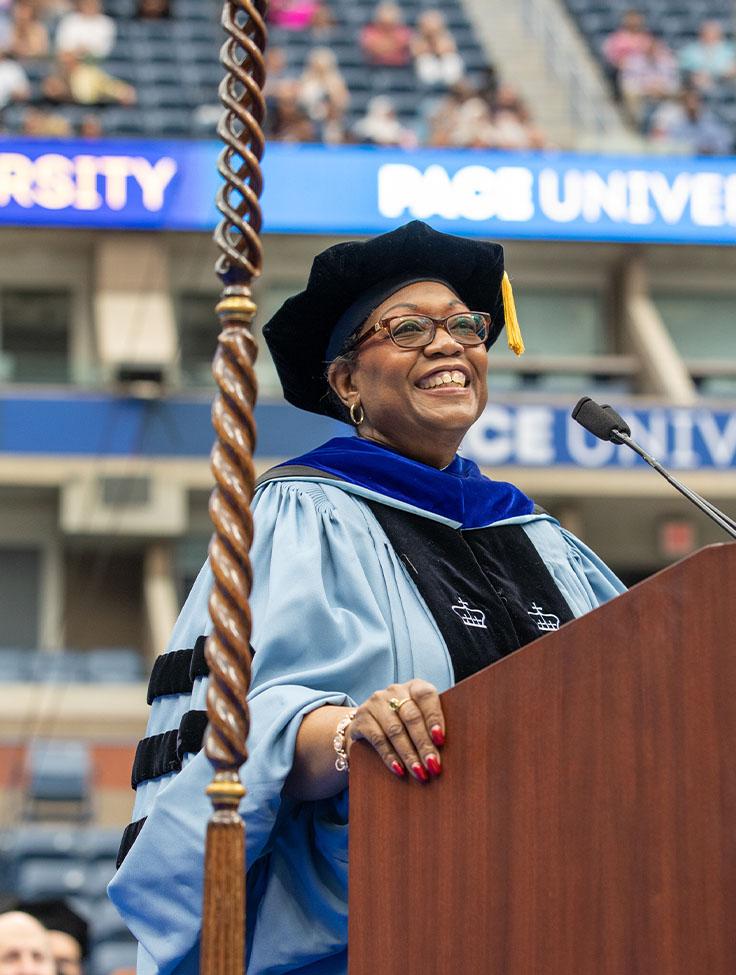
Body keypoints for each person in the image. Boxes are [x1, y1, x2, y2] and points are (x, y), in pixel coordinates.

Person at [107, 220, 625, 975]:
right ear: (347, 382)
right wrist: (351, 731)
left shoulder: (540, 537)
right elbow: (236, 735)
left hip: (568, 919)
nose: (446, 344)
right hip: (376, 929)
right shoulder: (300, 513)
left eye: (463, 326)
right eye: (408, 328)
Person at [678, 20, 736, 90]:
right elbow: (684, 69)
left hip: (723, 83)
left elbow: (733, 69)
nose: (710, 35)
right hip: (696, 85)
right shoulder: (689, 50)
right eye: (707, 32)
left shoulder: (729, 49)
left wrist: (715, 77)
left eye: (713, 32)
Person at [359, 1, 411, 68]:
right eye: (385, 11)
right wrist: (394, 44)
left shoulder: (403, 31)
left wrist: (382, 44)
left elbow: (407, 43)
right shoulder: (369, 31)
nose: (388, 15)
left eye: (391, 11)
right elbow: (373, 48)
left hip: (400, 69)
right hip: (374, 69)